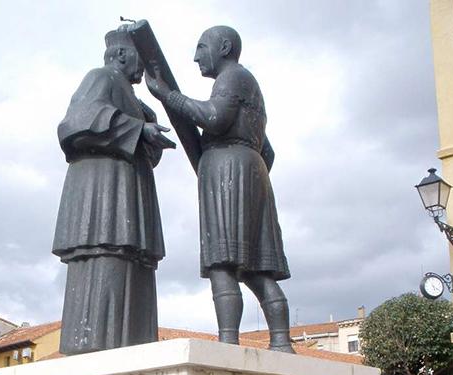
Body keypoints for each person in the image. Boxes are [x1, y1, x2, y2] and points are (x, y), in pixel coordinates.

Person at [146, 25, 294, 352]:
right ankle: (281, 341)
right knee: (258, 266)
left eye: (201, 47)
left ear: (224, 47)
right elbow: (268, 152)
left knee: (222, 262)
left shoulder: (233, 77)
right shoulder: (246, 85)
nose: (195, 56)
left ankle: (228, 341)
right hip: (250, 168)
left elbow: (213, 118)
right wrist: (251, 180)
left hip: (229, 169)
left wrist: (167, 96)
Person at [53, 24, 175, 355]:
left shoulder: (133, 97)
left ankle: (130, 348)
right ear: (121, 53)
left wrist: (148, 133)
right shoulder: (101, 77)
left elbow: (142, 146)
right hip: (104, 194)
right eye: (141, 58)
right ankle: (97, 346)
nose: (145, 67)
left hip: (128, 195)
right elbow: (77, 123)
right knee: (108, 257)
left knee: (131, 263)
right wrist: (138, 129)